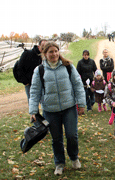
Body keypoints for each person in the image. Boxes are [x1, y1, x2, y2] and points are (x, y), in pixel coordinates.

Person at [28, 42, 86, 176]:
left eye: (56, 51)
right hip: (50, 110)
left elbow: (78, 85)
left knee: (72, 135)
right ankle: (59, 163)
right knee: (56, 138)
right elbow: (35, 91)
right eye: (50, 52)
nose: (54, 54)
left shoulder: (68, 67)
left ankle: (74, 157)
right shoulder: (40, 70)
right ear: (45, 54)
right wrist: (33, 111)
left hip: (69, 108)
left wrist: (81, 104)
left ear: (58, 52)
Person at [17, 39, 47, 104]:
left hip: (42, 83)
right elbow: (19, 68)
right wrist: (25, 82)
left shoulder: (46, 56)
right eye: (43, 46)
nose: (45, 48)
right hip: (30, 84)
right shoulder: (27, 54)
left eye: (46, 46)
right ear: (39, 46)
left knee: (44, 101)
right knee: (32, 102)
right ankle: (34, 114)